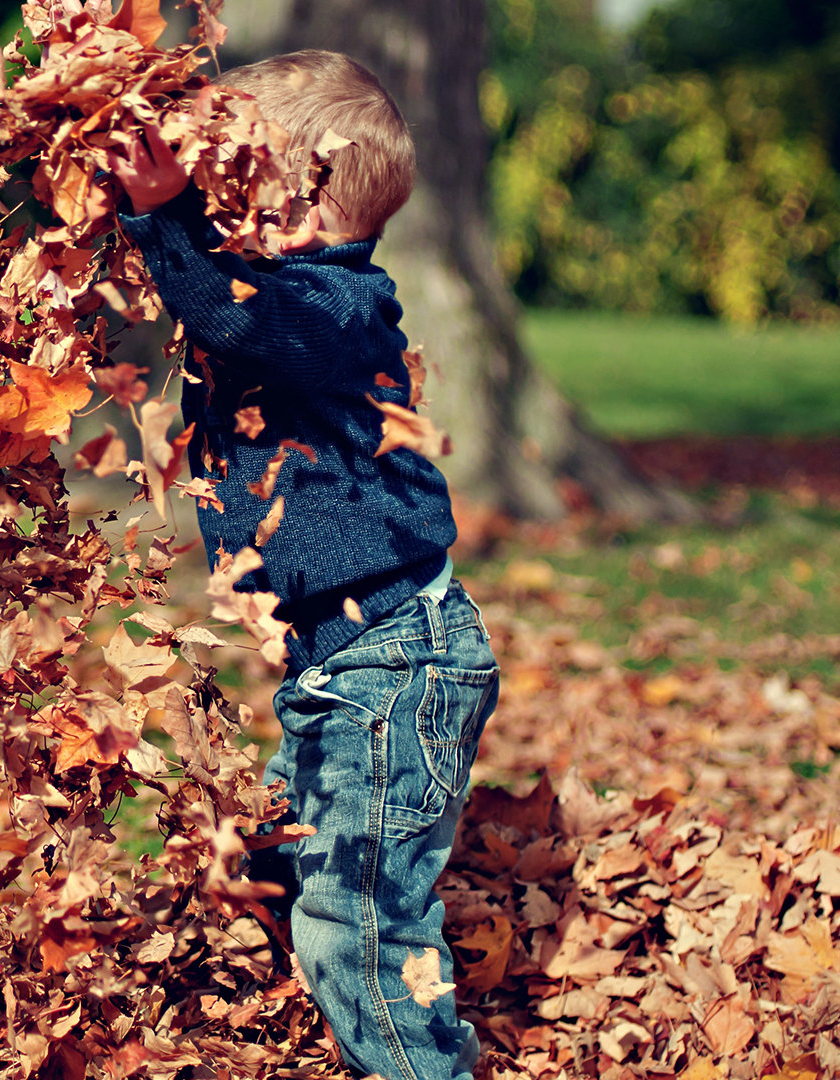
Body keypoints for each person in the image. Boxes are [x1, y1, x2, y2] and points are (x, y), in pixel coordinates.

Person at [109, 50, 500, 1080]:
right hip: (341, 669)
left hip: (393, 665)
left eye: (231, 179)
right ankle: (321, 1033)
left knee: (359, 925)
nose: (211, 200)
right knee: (283, 861)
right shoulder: (286, 309)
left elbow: (234, 312)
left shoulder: (334, 307)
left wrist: (162, 221)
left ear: (301, 194)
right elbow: (228, 333)